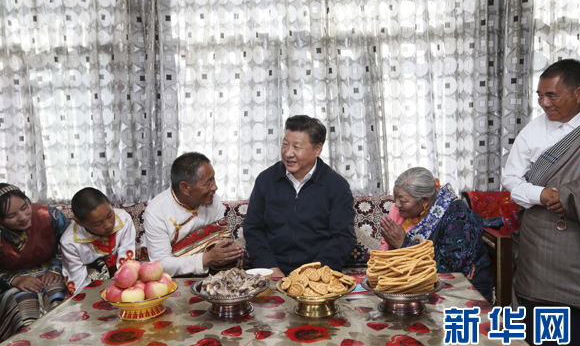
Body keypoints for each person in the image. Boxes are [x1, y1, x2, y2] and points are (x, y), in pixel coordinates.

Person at [502, 59, 580, 346]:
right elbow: (511, 178)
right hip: (540, 240)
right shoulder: (534, 130)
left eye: (552, 96)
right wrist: (542, 195)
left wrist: (572, 196)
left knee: (579, 319)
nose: (544, 103)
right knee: (538, 315)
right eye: (540, 95)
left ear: (579, 93)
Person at [243, 115, 357, 279]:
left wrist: (314, 274)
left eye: (297, 147)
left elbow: (343, 238)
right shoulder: (266, 180)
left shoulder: (336, 186)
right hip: (272, 270)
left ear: (317, 149)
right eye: (285, 144)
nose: (288, 153)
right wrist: (269, 268)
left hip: (318, 274)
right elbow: (253, 229)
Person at [379, 167, 493, 301]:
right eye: (395, 197)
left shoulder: (458, 217)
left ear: (424, 201)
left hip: (460, 287)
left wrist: (404, 244)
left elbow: (450, 270)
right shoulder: (404, 211)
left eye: (403, 200)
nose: (397, 204)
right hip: (420, 281)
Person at [144, 152, 243, 277]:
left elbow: (219, 240)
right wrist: (205, 259)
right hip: (172, 280)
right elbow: (160, 265)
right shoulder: (156, 212)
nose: (215, 187)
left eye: (213, 179)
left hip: (211, 273)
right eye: (208, 183)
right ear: (185, 188)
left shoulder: (213, 200)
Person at [0, 184, 70, 341]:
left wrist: (55, 268)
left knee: (58, 304)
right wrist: (14, 280)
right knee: (24, 315)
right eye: (11, 216)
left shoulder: (49, 215)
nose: (22, 217)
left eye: (24, 207)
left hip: (52, 273)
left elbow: (73, 243)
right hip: (12, 284)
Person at [60, 188, 136, 295]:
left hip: (122, 275)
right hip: (91, 282)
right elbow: (78, 284)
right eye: (97, 224)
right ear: (79, 222)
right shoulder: (69, 242)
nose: (108, 225)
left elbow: (127, 263)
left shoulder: (124, 219)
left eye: (110, 215)